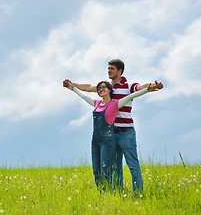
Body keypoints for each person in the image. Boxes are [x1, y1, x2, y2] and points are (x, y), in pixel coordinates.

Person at [64, 59, 163, 192]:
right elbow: (88, 87)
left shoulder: (128, 85)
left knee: (132, 164)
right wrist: (72, 85)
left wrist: (154, 85)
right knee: (116, 167)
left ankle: (138, 193)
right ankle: (118, 192)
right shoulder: (106, 87)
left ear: (120, 71)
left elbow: (140, 88)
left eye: (111, 68)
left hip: (126, 132)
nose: (108, 71)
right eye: (108, 68)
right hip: (110, 134)